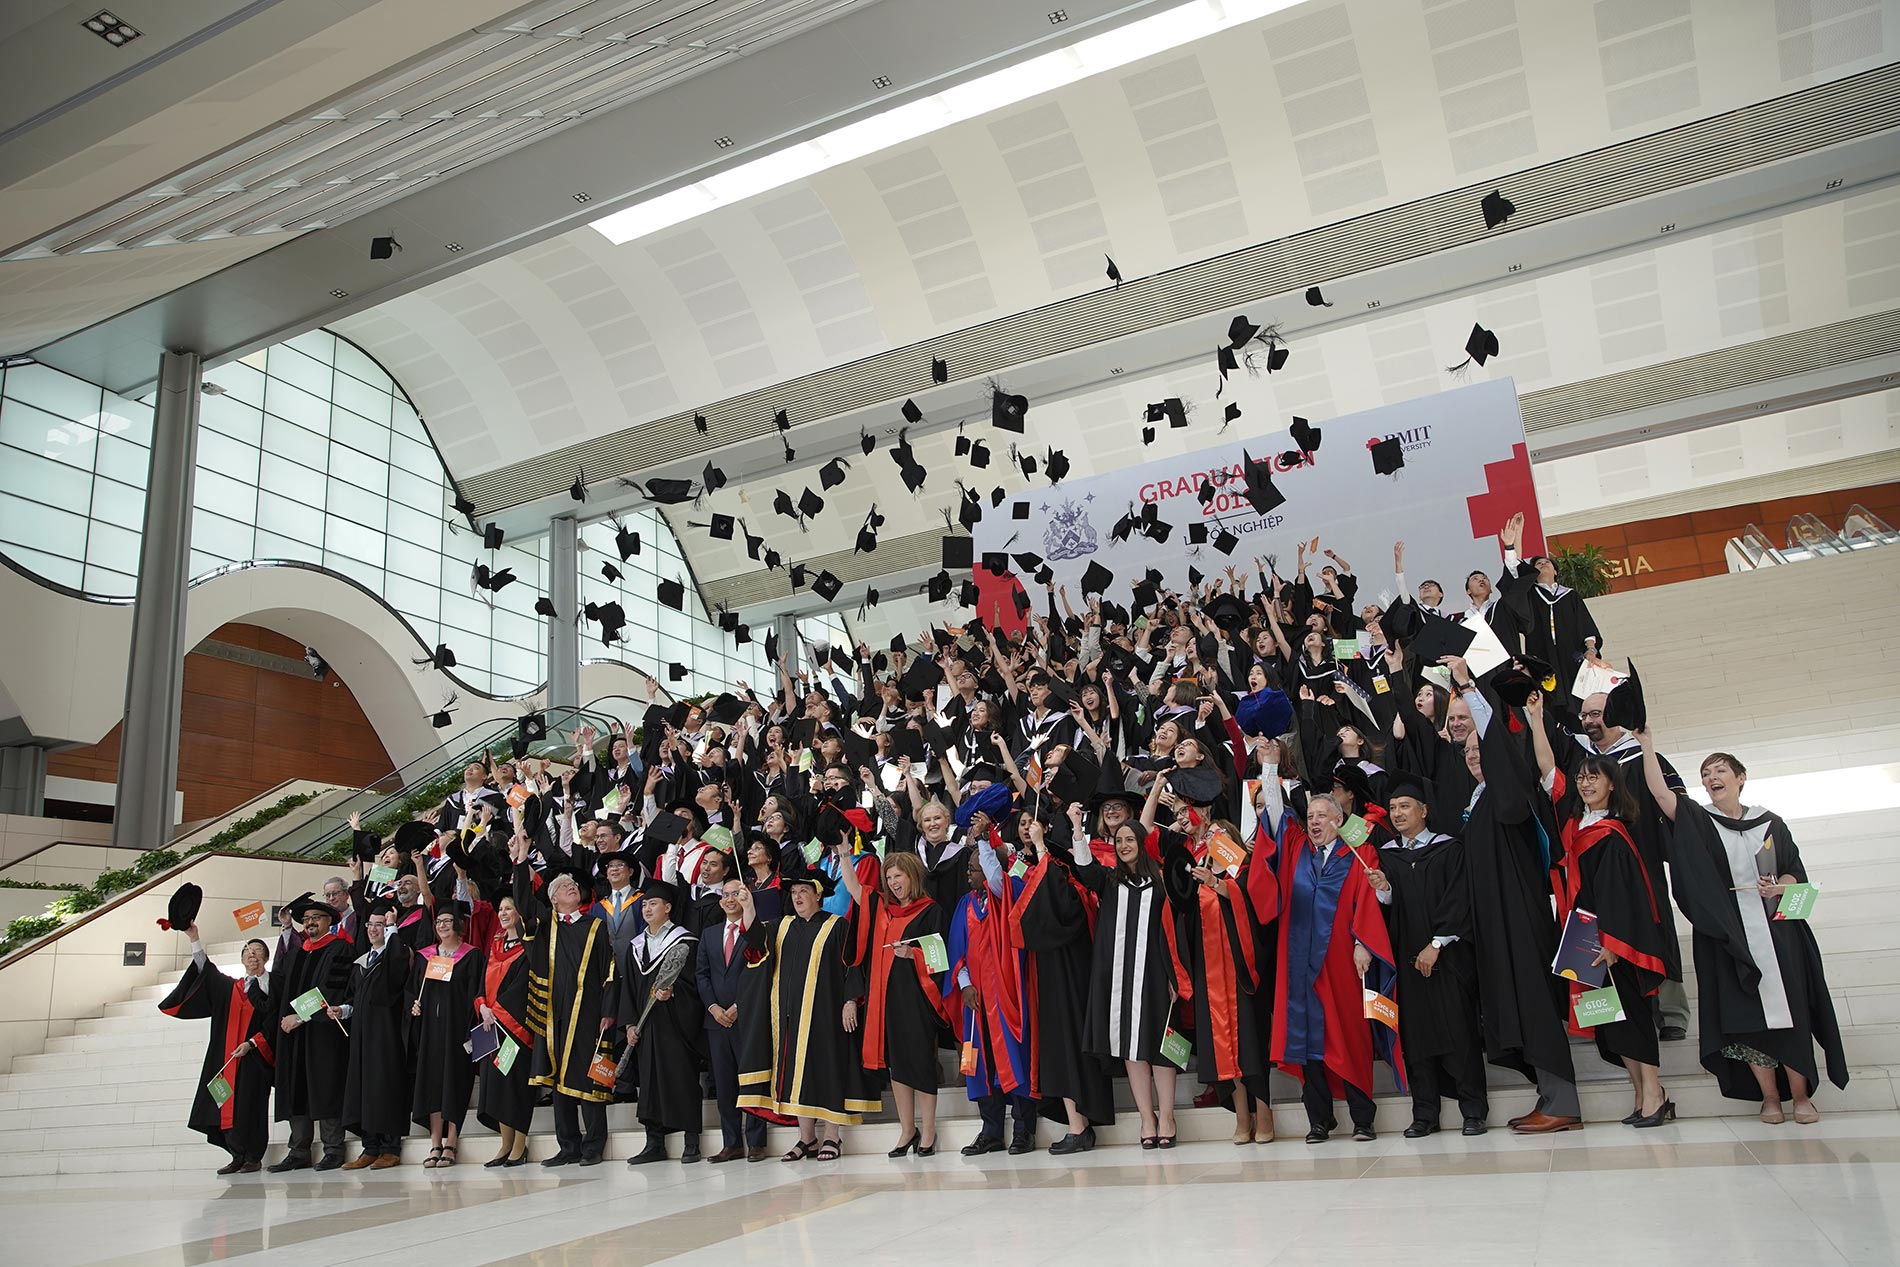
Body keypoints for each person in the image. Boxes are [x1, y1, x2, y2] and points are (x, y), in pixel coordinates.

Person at [1639, 734, 1849, 1123]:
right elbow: (1660, 793)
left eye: (1720, 770)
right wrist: (1646, 744)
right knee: (1749, 1019)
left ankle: (1801, 1097)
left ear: (1740, 777)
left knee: (1791, 1013)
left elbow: (1793, 871)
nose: (1711, 777)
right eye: (1705, 773)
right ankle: (1769, 1098)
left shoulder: (1771, 823)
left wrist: (1780, 885)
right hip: (1729, 935)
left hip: (1778, 932)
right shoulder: (1700, 820)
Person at [1528, 698, 1673, 1127]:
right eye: (1583, 778)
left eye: (1595, 778)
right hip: (1583, 936)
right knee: (1610, 1022)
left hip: (1613, 941)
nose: (1586, 784)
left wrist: (1612, 944)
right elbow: (1547, 770)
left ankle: (1655, 1095)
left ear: (1612, 785)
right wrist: (1536, 720)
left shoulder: (1613, 832)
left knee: (1632, 1017)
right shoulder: (1578, 827)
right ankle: (1640, 1094)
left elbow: (1622, 896)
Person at [1458, 707, 1582, 1134]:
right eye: (1469, 751)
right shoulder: (1477, 800)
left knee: (1534, 1005)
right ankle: (1548, 1096)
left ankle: (1562, 1101)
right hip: (1496, 921)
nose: (1475, 755)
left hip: (1520, 918)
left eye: (1483, 749)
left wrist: (1470, 690)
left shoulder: (1510, 795)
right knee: (1516, 1006)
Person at [1269, 794, 1402, 1143]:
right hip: (1299, 964)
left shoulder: (1359, 854)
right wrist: (1269, 766)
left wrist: (1363, 943)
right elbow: (1274, 809)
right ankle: (1319, 1119)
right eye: (1310, 816)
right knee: (1306, 1041)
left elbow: (1368, 898)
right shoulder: (1297, 852)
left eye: (1322, 816)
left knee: (1348, 1037)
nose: (1314, 822)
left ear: (1338, 821)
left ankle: (1363, 1118)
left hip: (1341, 962)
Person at [1367, 776, 1487, 1137]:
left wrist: (1437, 944)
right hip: (1407, 960)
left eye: (1405, 806)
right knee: (1415, 1040)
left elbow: (1459, 899)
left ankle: (1473, 1110)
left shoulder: (1449, 849)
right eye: (1393, 808)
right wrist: (1384, 890)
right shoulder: (1388, 857)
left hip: (1446, 959)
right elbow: (1388, 912)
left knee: (1460, 1033)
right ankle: (1425, 1113)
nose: (1398, 813)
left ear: (1424, 811)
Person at [736, 863, 879, 1161]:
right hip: (789, 1018)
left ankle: (831, 1138)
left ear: (818, 895)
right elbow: (755, 944)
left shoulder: (836, 925)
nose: (798, 897)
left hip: (825, 1015)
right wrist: (748, 906)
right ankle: (806, 1139)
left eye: (804, 891)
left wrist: (850, 1000)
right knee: (794, 1078)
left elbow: (852, 964)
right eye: (795, 892)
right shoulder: (781, 925)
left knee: (827, 1072)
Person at [1070, 820, 1191, 1149]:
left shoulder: (1161, 882)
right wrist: (1077, 831)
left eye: (1129, 839)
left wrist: (1173, 975)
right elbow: (1084, 868)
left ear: (1141, 841)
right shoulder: (1109, 881)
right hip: (1118, 978)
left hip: (1155, 974)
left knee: (1161, 1046)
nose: (1123, 845)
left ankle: (1167, 1115)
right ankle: (1146, 1118)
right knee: (1131, 1047)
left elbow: (1173, 934)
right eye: (1118, 840)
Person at [511, 829, 616, 1167]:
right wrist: (521, 860)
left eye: (574, 886)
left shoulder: (595, 925)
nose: (572, 888)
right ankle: (568, 1146)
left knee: (590, 1079)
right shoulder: (544, 926)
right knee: (558, 1082)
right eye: (564, 888)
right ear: (554, 899)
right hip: (552, 1014)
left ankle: (592, 1146)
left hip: (588, 1012)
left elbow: (609, 971)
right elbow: (524, 902)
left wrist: (608, 1012)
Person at [838, 846, 949, 1157]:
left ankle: (928, 1131)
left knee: (921, 1065)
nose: (893, 883)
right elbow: (854, 889)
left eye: (898, 876)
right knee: (898, 1067)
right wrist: (845, 854)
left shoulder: (931, 911)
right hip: (885, 999)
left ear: (912, 876)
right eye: (888, 878)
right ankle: (907, 1130)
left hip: (917, 999)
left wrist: (911, 953)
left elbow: (939, 959)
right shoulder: (883, 908)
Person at [1018, 807, 1116, 1154]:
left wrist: (1044, 847)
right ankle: (1077, 1124)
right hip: (1053, 976)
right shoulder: (1052, 876)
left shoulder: (1067, 882)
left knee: (1071, 1044)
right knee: (1061, 1045)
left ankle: (1081, 1126)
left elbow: (1054, 899)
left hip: (1070, 977)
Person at [947, 826, 1035, 1156]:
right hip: (976, 1002)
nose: (968, 874)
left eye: (973, 869)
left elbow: (998, 879)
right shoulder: (965, 905)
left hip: (1007, 998)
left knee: (1015, 1060)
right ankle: (991, 1130)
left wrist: (984, 839)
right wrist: (965, 985)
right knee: (980, 1066)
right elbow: (957, 951)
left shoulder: (1009, 894)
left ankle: (1025, 1130)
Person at [160, 925, 275, 1175]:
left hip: (255, 1058)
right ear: (242, 959)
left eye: (257, 951)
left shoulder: (272, 987)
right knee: (224, 1104)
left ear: (266, 958)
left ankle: (254, 1157)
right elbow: (204, 970)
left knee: (251, 1106)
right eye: (247, 950)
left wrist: (253, 1043)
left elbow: (274, 1021)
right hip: (226, 1058)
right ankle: (236, 1155)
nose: (251, 954)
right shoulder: (228, 987)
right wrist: (194, 938)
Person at [619, 878, 706, 1165]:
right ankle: (654, 1143)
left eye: (653, 903)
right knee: (649, 1083)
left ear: (668, 908)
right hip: (646, 1027)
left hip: (675, 1024)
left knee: (681, 1078)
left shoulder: (683, 941)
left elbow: (694, 984)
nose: (646, 908)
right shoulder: (637, 945)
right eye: (644, 904)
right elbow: (629, 989)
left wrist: (674, 992)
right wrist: (630, 1023)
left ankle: (691, 1141)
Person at [269, 894, 355, 1171]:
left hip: (323, 1033)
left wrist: (301, 1017)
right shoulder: (295, 953)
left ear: (329, 921)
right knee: (297, 1087)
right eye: (306, 920)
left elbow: (332, 990)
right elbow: (279, 990)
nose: (310, 923)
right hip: (293, 1035)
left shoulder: (341, 949)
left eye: (315, 918)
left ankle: (333, 1149)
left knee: (326, 1086)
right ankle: (299, 1151)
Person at [697, 877, 768, 1162]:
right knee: (725, 1084)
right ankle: (731, 1142)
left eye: (736, 894)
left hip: (747, 1018)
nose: (729, 899)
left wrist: (740, 1005)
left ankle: (756, 1141)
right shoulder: (710, 933)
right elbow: (701, 974)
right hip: (717, 1022)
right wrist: (713, 1007)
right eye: (725, 895)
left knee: (751, 1081)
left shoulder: (755, 931)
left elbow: (760, 970)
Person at [409, 903, 485, 1167]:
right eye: (438, 921)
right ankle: (435, 1142)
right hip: (430, 1030)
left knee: (454, 1083)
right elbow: (414, 991)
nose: (441, 925)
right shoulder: (425, 957)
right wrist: (414, 1006)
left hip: (456, 1029)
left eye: (447, 921)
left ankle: (451, 1141)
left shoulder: (471, 956)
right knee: (432, 1084)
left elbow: (477, 992)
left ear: (458, 925)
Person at [337, 901, 411, 1169]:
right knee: (363, 1087)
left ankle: (390, 1147)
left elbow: (396, 972)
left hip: (386, 1035)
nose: (373, 930)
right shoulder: (361, 962)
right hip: (361, 1036)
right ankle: (370, 1146)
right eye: (370, 925)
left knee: (384, 1085)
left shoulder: (395, 954)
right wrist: (342, 1010)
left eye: (379, 925)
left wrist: (393, 928)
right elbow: (353, 1000)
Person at [475, 894, 535, 1166]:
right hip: (489, 1028)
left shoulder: (527, 947)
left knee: (513, 1086)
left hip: (513, 1031)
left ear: (519, 912)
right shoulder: (495, 944)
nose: (502, 913)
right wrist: (482, 1007)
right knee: (495, 1085)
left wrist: (496, 1012)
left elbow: (521, 987)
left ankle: (520, 1146)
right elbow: (481, 987)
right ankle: (505, 1144)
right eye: (500, 909)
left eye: (508, 908)